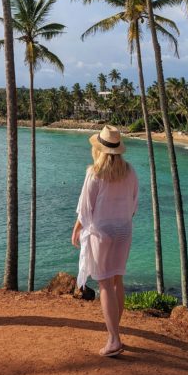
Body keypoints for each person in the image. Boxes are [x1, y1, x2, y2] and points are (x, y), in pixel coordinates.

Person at [71, 125, 138, 357]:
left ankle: (114, 339)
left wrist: (78, 229)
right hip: (124, 231)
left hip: (102, 233)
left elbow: (85, 208)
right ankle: (115, 332)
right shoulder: (130, 172)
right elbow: (133, 205)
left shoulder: (95, 172)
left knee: (105, 284)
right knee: (118, 280)